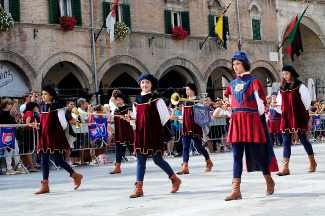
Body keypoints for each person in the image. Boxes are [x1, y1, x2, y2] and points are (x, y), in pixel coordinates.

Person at [224, 52, 278, 201]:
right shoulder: (231, 85)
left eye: (238, 64)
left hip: (251, 121)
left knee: (256, 154)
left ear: (245, 64)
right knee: (236, 156)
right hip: (236, 122)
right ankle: (236, 190)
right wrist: (228, 110)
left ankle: (269, 181)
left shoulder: (254, 81)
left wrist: (247, 113)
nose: (235, 67)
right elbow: (230, 108)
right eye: (233, 64)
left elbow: (261, 108)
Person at [126, 73, 181, 198]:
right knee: (140, 159)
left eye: (147, 82)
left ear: (152, 85)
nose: (144, 85)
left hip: (153, 133)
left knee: (157, 159)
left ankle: (175, 179)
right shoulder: (137, 101)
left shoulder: (157, 99)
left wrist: (153, 127)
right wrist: (130, 119)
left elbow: (165, 117)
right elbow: (136, 119)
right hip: (140, 133)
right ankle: (139, 188)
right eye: (143, 82)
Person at [34, 85, 82, 194]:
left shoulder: (58, 108)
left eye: (45, 94)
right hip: (45, 137)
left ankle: (76, 176)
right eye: (42, 94)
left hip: (55, 137)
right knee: (44, 161)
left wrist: (52, 129)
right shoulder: (44, 107)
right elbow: (45, 122)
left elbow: (64, 124)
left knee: (59, 160)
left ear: (51, 96)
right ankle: (45, 186)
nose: (43, 96)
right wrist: (39, 125)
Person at [273, 65, 316, 176]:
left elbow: (306, 102)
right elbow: (279, 102)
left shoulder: (300, 86)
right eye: (283, 74)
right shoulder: (282, 88)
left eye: (286, 73)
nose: (285, 76)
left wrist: (300, 113)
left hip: (298, 116)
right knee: (286, 141)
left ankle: (312, 162)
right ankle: (285, 168)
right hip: (286, 117)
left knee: (303, 139)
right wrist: (275, 105)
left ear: (291, 74)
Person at [176, 83, 213, 174]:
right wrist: (179, 118)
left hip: (195, 127)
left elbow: (201, 116)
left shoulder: (197, 102)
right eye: (186, 89)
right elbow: (185, 116)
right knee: (185, 147)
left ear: (193, 90)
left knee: (199, 146)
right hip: (186, 127)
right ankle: (185, 167)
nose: (187, 91)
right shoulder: (184, 102)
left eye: (188, 89)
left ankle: (209, 161)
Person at [110, 93, 134, 174]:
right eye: (117, 100)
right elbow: (114, 120)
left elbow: (132, 118)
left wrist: (129, 118)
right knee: (118, 149)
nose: (118, 101)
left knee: (131, 148)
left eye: (120, 99)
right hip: (118, 131)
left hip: (126, 131)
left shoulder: (128, 108)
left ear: (123, 100)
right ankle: (117, 167)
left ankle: (142, 162)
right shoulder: (116, 110)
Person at [0, 98, 26, 175]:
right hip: (6, 133)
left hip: (12, 133)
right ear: (7, 105)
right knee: (8, 150)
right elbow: (10, 112)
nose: (11, 105)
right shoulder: (3, 113)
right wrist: (16, 103)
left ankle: (18, 166)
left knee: (16, 149)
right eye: (10, 104)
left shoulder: (10, 113)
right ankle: (9, 168)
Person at [23, 102, 40, 172]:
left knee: (31, 149)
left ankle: (32, 165)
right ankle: (31, 166)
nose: (37, 108)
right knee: (29, 150)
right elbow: (28, 122)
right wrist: (35, 124)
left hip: (30, 132)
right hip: (29, 132)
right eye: (36, 107)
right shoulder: (29, 112)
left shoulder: (29, 112)